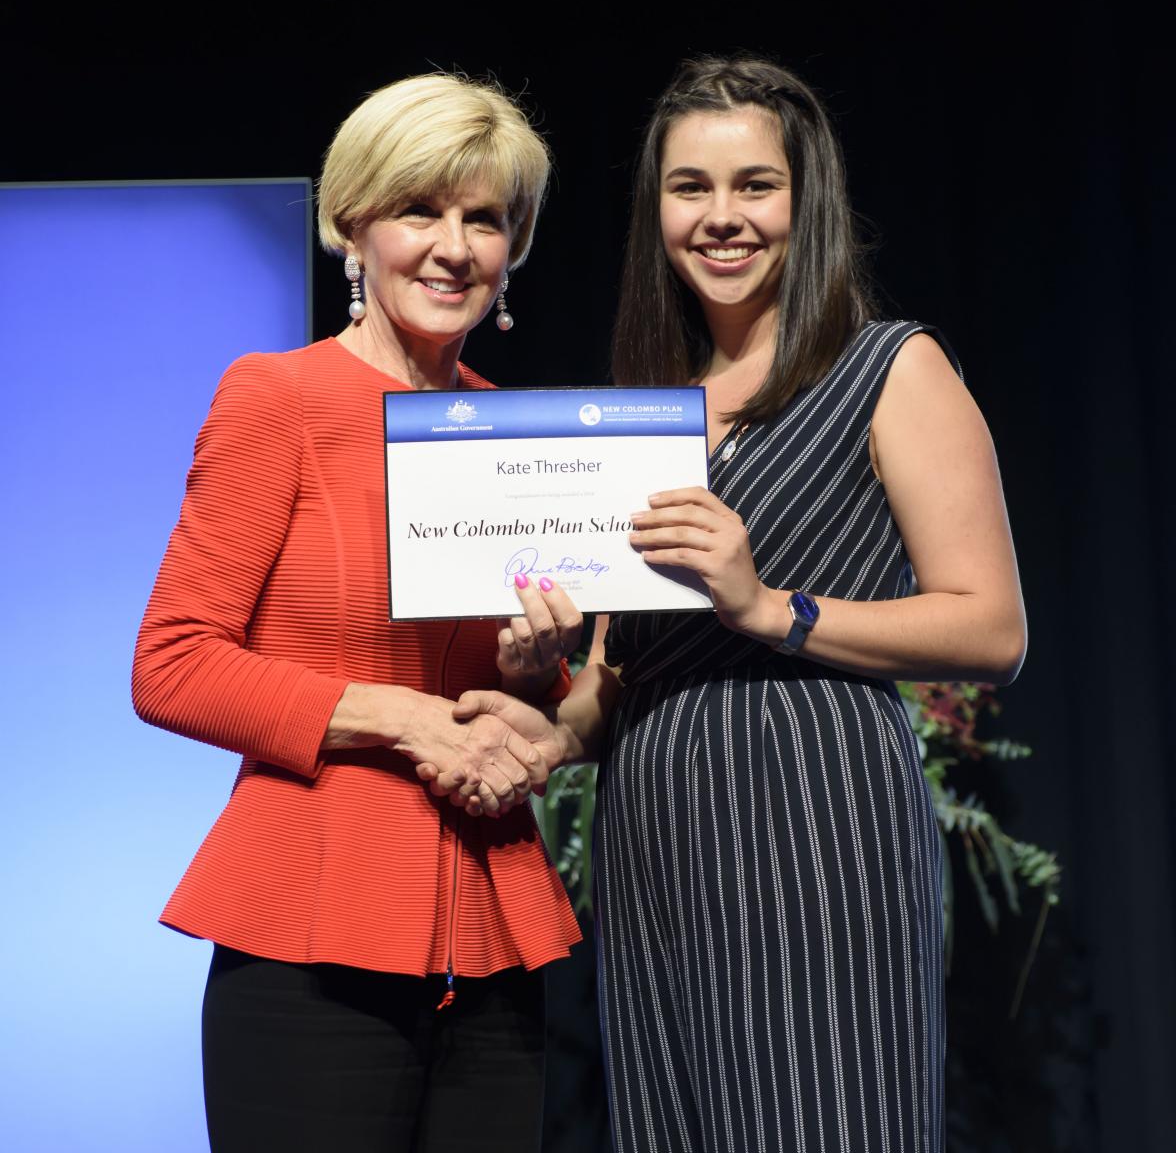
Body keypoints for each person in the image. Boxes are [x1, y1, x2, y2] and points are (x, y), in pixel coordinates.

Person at [455, 56, 1027, 1153]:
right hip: (659, 822)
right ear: (654, 211)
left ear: (805, 203)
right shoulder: (644, 407)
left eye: (754, 185)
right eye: (690, 189)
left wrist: (773, 608)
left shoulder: (888, 370)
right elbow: (629, 668)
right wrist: (554, 719)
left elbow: (993, 629)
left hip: (816, 812)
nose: (722, 218)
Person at [131, 72, 584, 1153]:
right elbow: (173, 663)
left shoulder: (511, 430)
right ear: (352, 227)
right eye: (420, 210)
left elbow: (497, 693)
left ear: (514, 249)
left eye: (486, 219)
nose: (454, 246)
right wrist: (399, 717)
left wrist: (533, 674)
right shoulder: (274, 398)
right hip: (309, 934)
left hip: (489, 932)